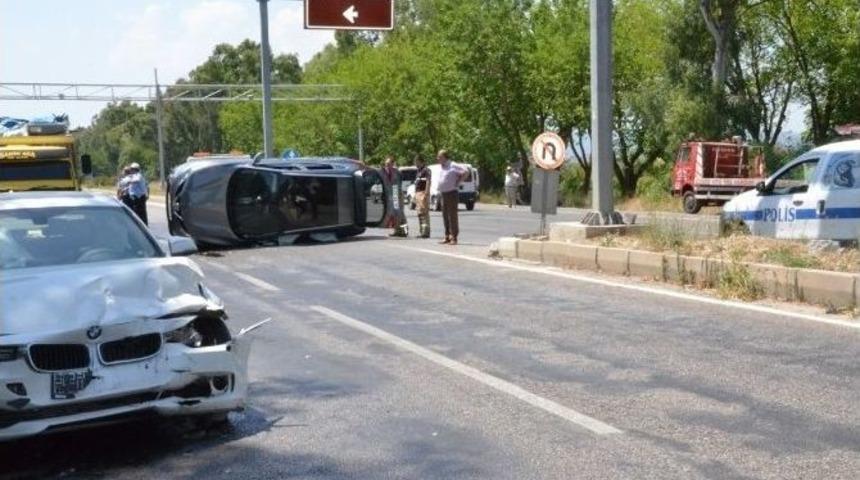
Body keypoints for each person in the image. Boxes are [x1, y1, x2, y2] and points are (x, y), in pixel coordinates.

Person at [436, 150, 467, 245]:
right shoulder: (442, 167)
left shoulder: (453, 165)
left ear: (445, 157)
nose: (438, 159)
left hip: (451, 193)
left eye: (439, 157)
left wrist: (459, 182)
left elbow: (466, 171)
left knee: (452, 216)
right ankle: (447, 236)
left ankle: (454, 237)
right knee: (445, 215)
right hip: (443, 193)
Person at [382, 156, 408, 237]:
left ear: (393, 164)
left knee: (400, 214)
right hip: (393, 194)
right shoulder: (387, 172)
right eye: (386, 164)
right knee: (395, 214)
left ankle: (404, 231)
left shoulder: (396, 172)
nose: (387, 166)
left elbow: (396, 185)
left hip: (397, 194)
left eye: (388, 164)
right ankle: (397, 230)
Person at [413, 154, 432, 238]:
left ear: (420, 161)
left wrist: (426, 193)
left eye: (416, 162)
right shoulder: (418, 171)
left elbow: (428, 181)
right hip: (418, 193)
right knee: (420, 213)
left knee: (424, 213)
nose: (415, 164)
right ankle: (422, 231)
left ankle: (425, 232)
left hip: (423, 192)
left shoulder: (426, 170)